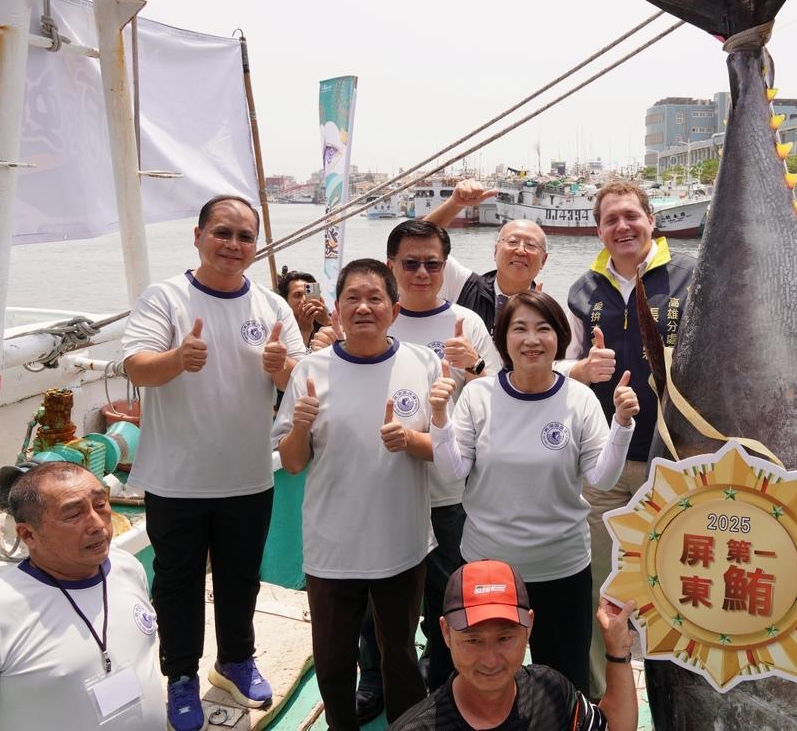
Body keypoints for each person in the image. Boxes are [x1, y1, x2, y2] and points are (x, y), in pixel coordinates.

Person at [122, 194, 305, 730]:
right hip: (177, 479)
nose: (233, 245)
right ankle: (180, 675)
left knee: (240, 577)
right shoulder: (167, 298)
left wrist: (281, 366)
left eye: (245, 237)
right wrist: (178, 359)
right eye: (222, 233)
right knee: (176, 582)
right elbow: (138, 367)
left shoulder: (272, 307)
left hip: (248, 474)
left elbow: (301, 381)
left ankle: (235, 660)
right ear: (198, 236)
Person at [430, 290, 638, 691]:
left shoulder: (579, 398)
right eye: (519, 329)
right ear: (503, 339)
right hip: (489, 567)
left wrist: (623, 425)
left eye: (543, 329)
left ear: (559, 338)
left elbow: (602, 478)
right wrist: (439, 419)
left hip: (561, 565)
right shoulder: (478, 395)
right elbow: (453, 471)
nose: (531, 339)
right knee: (485, 675)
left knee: (563, 679)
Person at [272, 257, 439, 728]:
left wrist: (408, 441)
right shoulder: (311, 369)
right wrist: (299, 428)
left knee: (401, 654)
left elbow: (447, 453)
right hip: (333, 545)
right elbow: (293, 461)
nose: (364, 307)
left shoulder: (423, 363)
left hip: (401, 541)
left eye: (375, 298)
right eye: (352, 298)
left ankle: (407, 723)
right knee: (333, 656)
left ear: (395, 308)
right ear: (337, 310)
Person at [562, 179, 696, 695]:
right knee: (599, 586)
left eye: (631, 216)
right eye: (611, 219)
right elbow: (558, 366)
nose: (622, 227)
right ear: (598, 231)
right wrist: (582, 369)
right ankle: (599, 696)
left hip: (679, 463)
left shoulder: (691, 278)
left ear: (651, 221)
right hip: (605, 466)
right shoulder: (582, 292)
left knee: (679, 587)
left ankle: (678, 697)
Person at [382, 219, 505, 696]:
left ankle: (446, 678)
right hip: (386, 482)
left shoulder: (466, 323)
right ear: (391, 265)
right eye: (410, 263)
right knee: (385, 595)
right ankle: (378, 676)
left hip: (450, 488)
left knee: (448, 593)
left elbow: (499, 400)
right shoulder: (378, 315)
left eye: (432, 263)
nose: (421, 273)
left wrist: (471, 367)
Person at [0, 463, 165, 730]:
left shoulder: (127, 568)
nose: (97, 523)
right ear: (28, 534)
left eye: (100, 504)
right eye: (73, 514)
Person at [391, 560, 639, 731]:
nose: (490, 660)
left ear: (529, 626)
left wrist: (618, 651)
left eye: (504, 638)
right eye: (473, 640)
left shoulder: (550, 691)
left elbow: (611, 726)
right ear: (445, 632)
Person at [423, 178, 548, 331]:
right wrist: (455, 204)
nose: (521, 250)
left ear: (543, 260)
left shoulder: (548, 314)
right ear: (495, 251)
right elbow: (419, 244)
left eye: (531, 245)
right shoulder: (462, 286)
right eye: (512, 242)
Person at [276, 268, 332, 349]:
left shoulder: (327, 318)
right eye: (297, 295)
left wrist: (327, 321)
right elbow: (294, 358)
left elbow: (348, 344)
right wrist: (306, 330)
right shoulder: (281, 328)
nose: (304, 299)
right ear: (285, 300)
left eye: (308, 294)